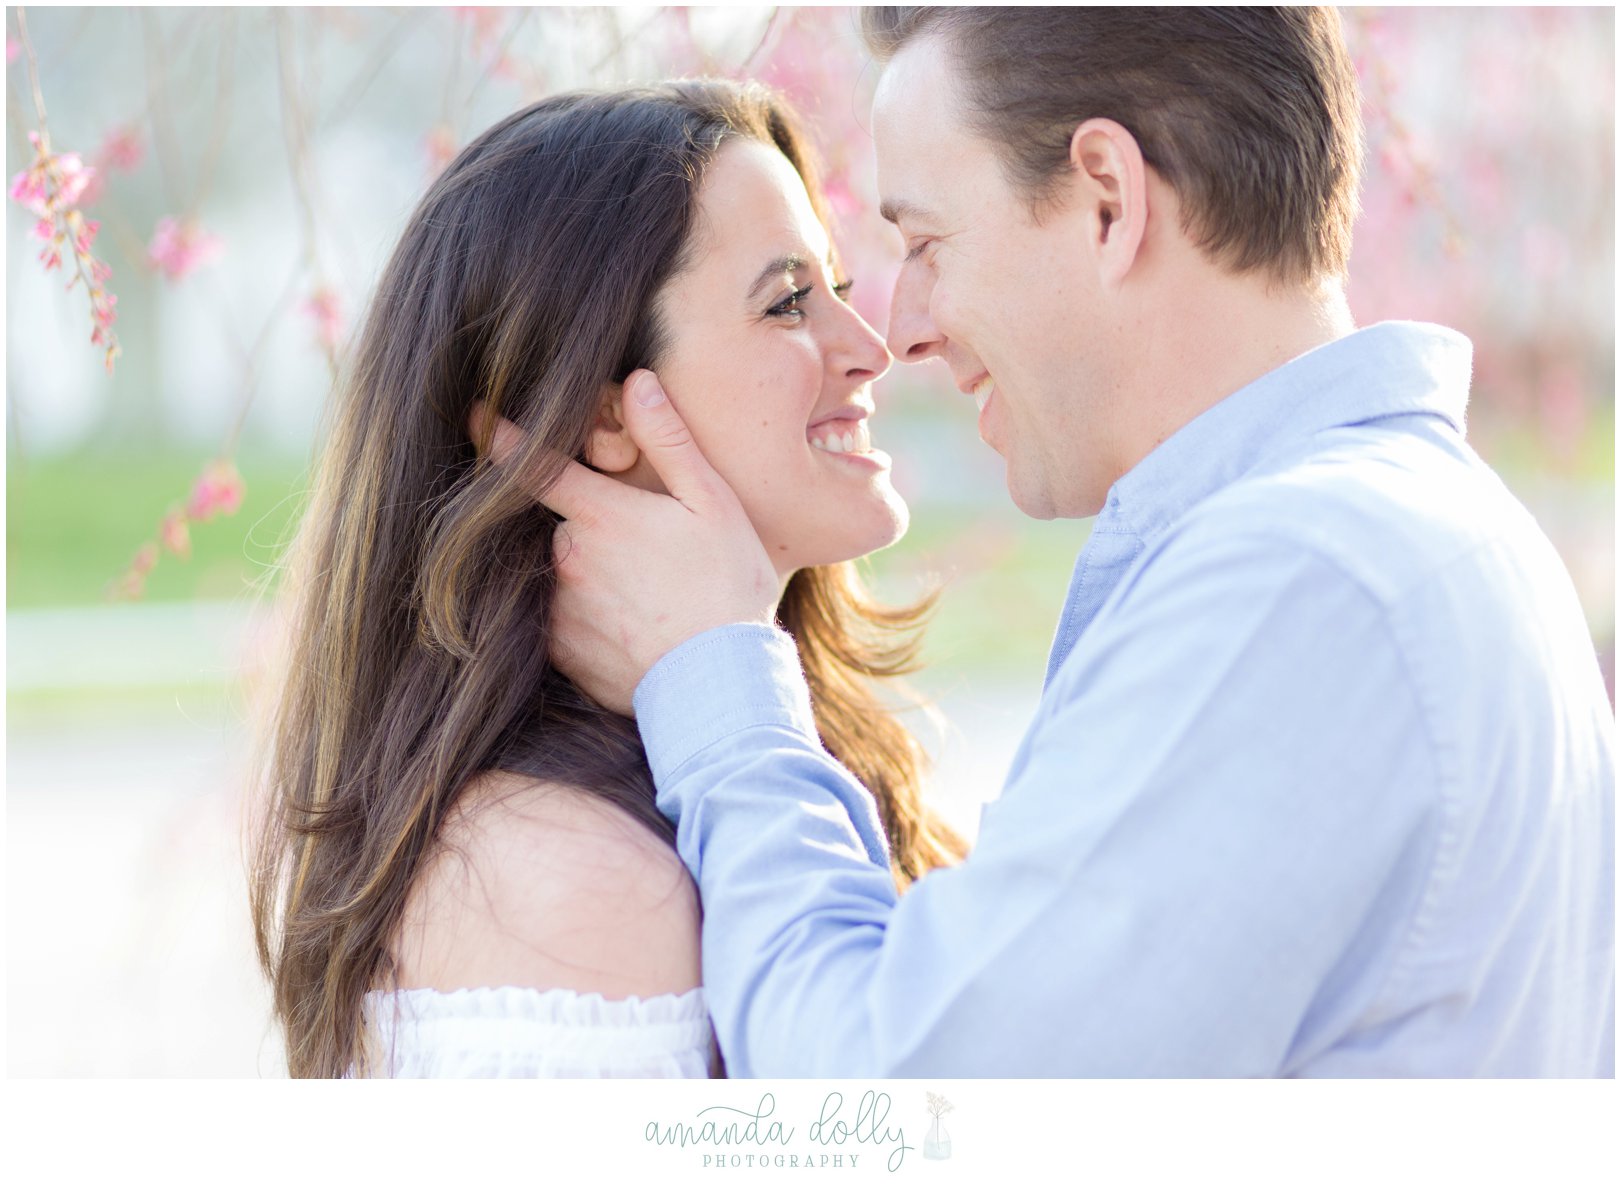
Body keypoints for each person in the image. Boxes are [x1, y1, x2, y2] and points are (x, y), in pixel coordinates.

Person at [502, 8, 1616, 1075]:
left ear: (1104, 200)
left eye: (927, 242)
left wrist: (716, 684)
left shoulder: (1298, 584)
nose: (905, 330)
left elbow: (905, 1118)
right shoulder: (1425, 539)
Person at [247, 79, 966, 1079]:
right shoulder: (562, 883)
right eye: (790, 301)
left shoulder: (786, 749)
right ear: (600, 419)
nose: (868, 348)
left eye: (838, 288)